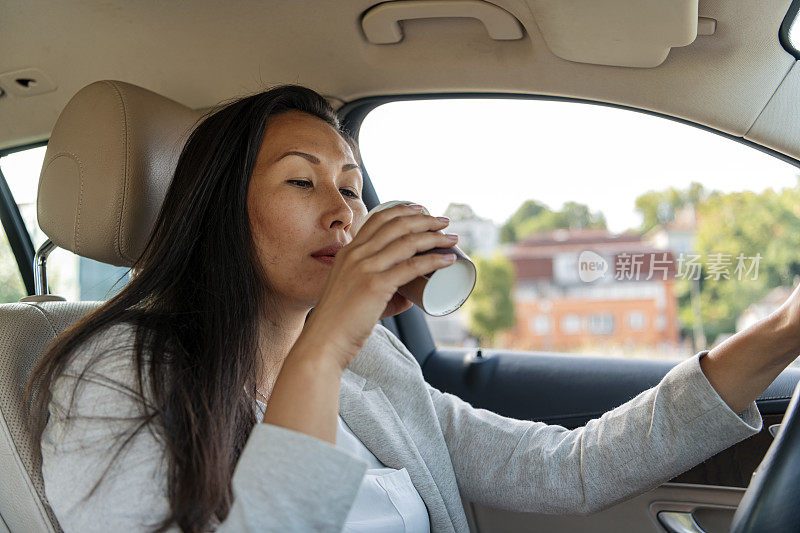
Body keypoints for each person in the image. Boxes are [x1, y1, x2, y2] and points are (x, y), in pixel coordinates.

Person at [24, 84, 800, 533]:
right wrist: (325, 341)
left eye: (354, 188)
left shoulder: (370, 363)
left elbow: (563, 468)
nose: (343, 212)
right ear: (219, 210)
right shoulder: (115, 375)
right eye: (303, 182)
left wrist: (782, 332)